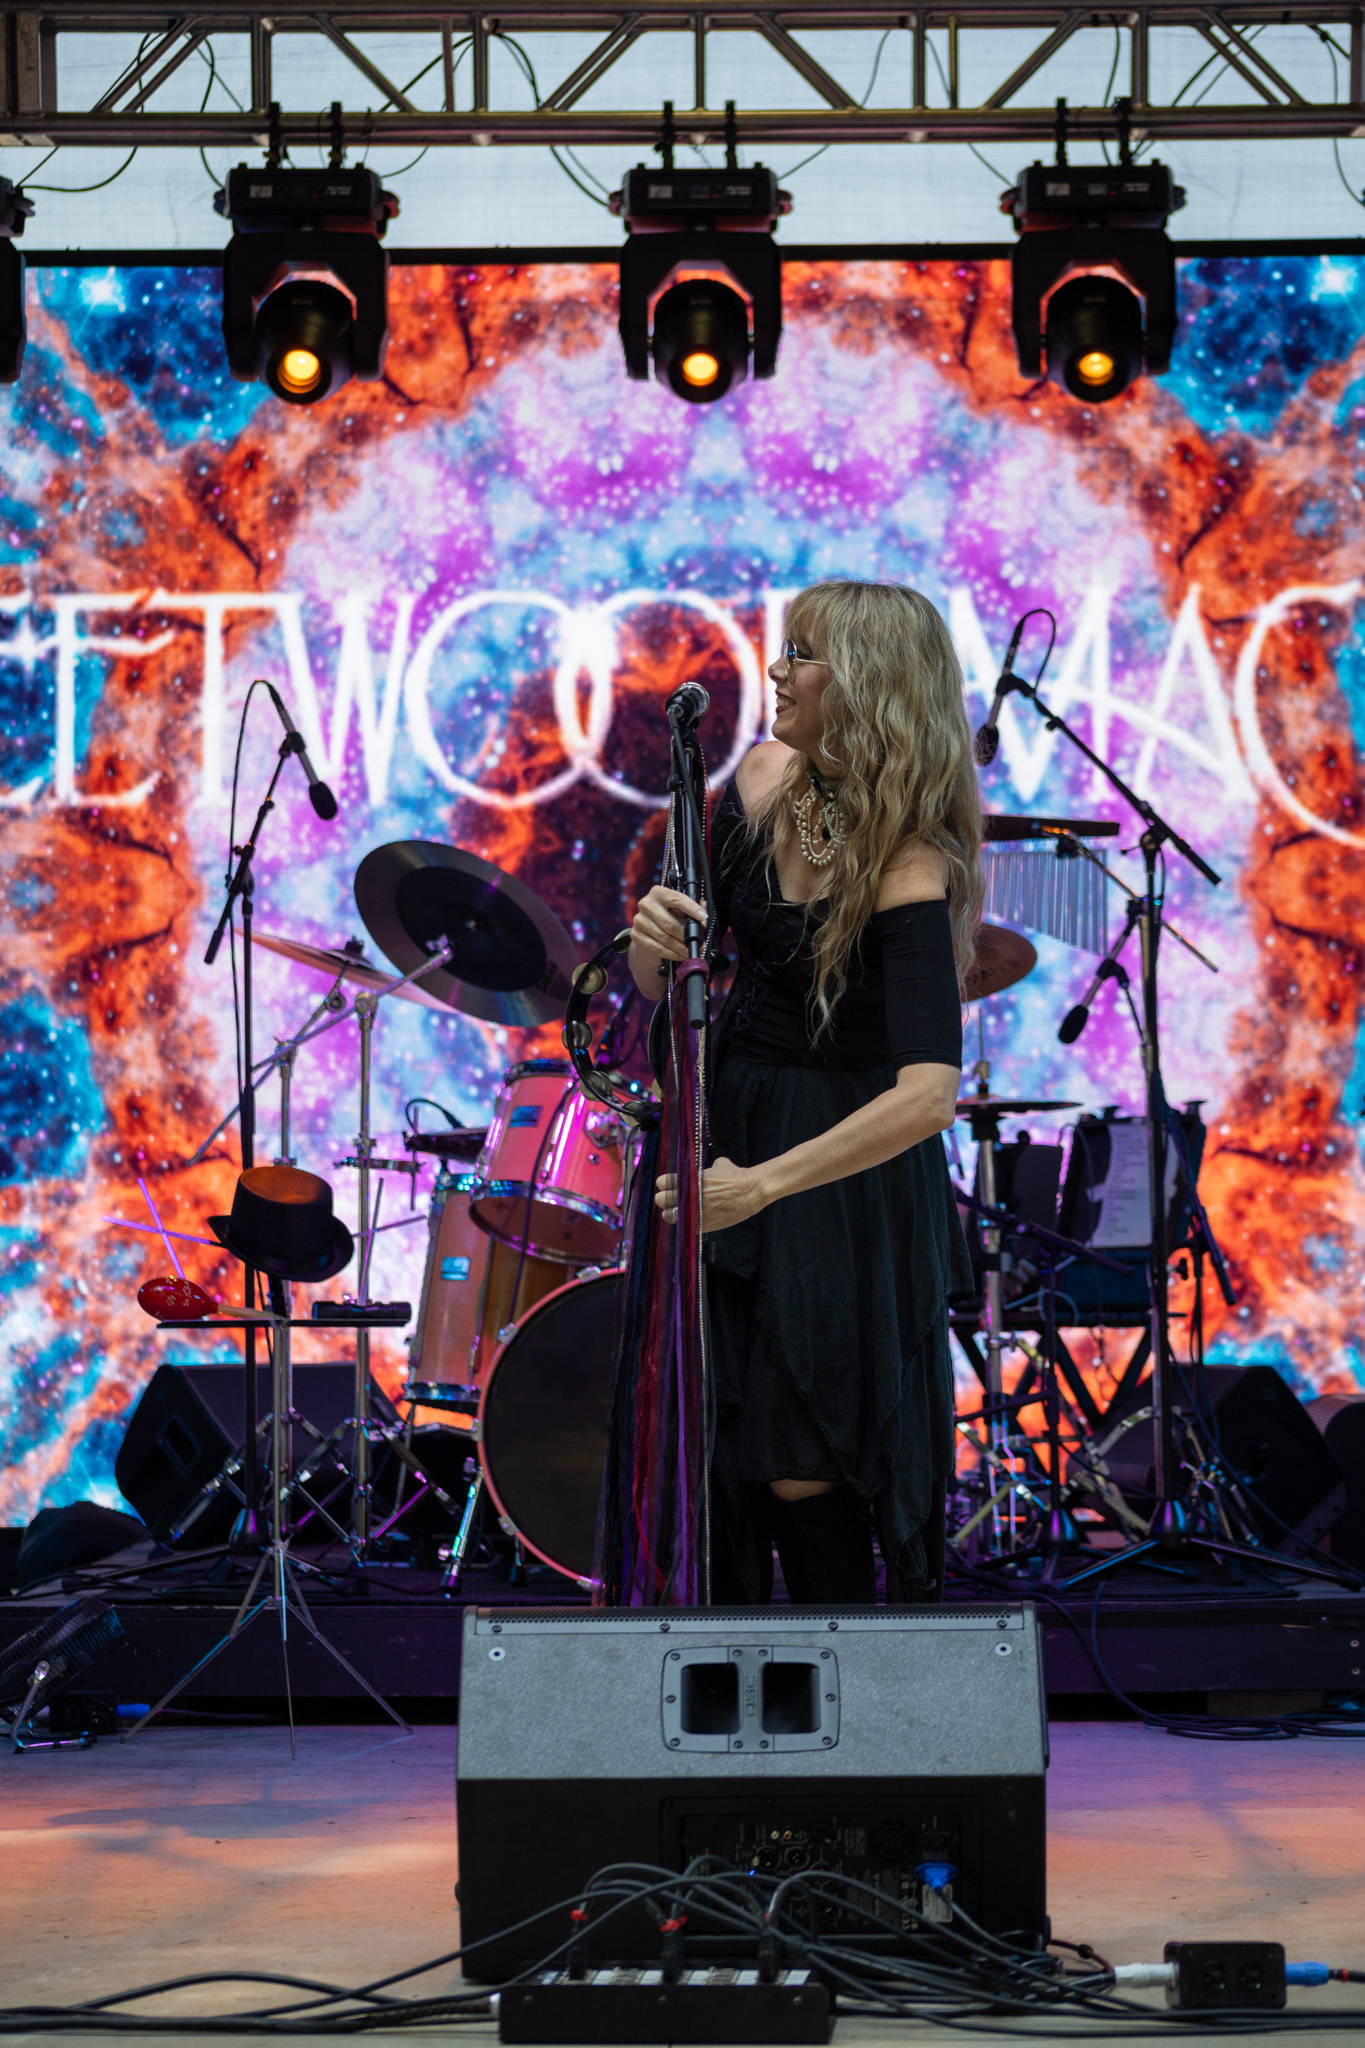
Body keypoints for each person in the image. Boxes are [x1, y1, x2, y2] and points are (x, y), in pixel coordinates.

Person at [628, 579, 1017, 1607]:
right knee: (711, 1435)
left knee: (804, 1451)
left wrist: (759, 1186)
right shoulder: (757, 779)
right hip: (729, 1118)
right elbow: (664, 987)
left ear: (867, 686)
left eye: (803, 655)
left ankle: (836, 1674)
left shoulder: (912, 858)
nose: (777, 669)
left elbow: (928, 1095)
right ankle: (720, 1680)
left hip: (840, 1171)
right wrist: (652, 941)